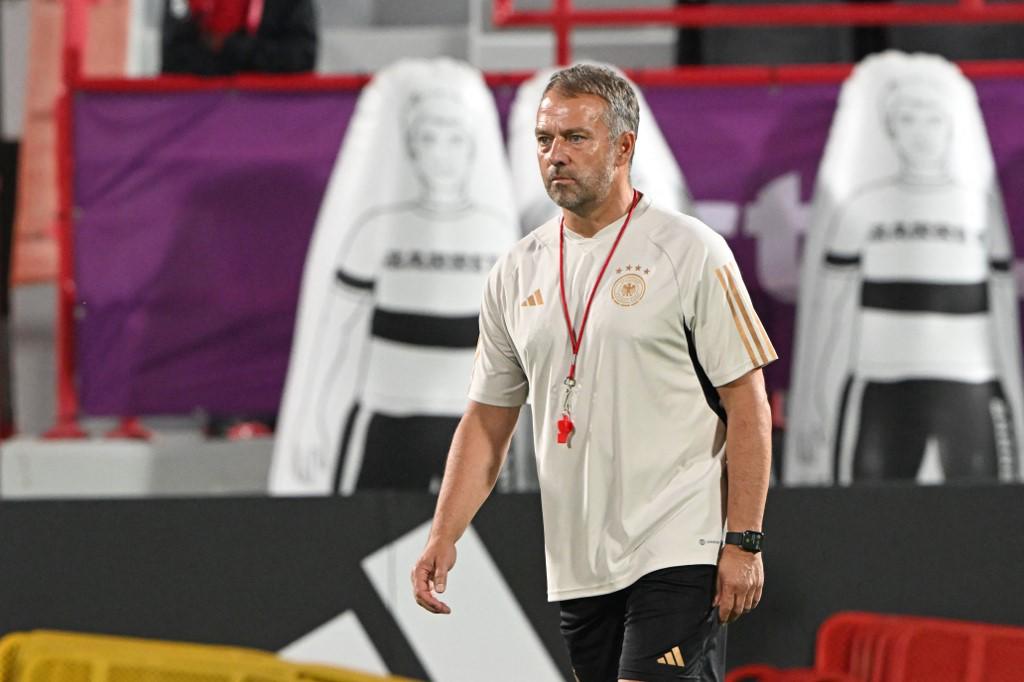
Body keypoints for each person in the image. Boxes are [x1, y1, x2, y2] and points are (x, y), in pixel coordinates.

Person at [411, 64, 775, 682]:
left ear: (624, 146)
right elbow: (488, 419)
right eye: (545, 140)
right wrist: (444, 533)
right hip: (578, 560)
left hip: (679, 545)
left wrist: (744, 541)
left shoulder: (690, 250)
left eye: (576, 138)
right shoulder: (515, 270)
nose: (556, 155)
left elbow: (748, 404)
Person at [808, 79, 1019, 483]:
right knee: (866, 520)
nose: (920, 133)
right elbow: (831, 310)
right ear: (891, 129)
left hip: (973, 385)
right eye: (907, 120)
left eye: (933, 120)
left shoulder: (982, 207)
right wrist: (820, 395)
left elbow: (1003, 314)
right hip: (880, 384)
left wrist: (1013, 393)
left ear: (950, 127)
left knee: (993, 522)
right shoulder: (861, 206)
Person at [162, 0, 317, 76]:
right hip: (196, 113)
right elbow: (172, 59)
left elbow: (302, 57)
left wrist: (232, 48)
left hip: (270, 114)